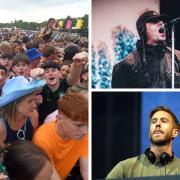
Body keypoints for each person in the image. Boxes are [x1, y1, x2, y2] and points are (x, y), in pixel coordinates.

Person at [106, 106, 180, 178]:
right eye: (153, 121)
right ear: (149, 133)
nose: (157, 124)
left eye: (164, 121)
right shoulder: (125, 168)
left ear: (175, 132)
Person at [112, 10, 180, 88]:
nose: (161, 23)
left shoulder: (177, 57)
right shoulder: (125, 66)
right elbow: (120, 98)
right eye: (154, 22)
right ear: (143, 29)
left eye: (161, 21)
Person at [33, 93, 88, 180]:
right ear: (59, 119)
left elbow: (86, 172)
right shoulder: (43, 138)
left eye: (87, 125)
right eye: (78, 125)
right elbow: (49, 175)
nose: (86, 131)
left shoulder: (84, 135)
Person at [38, 51, 88, 125]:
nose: (50, 73)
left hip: (63, 126)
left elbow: (73, 76)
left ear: (59, 73)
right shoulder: (39, 89)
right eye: (47, 72)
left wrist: (76, 65)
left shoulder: (64, 84)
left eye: (54, 70)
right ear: (43, 76)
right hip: (43, 127)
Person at [0, 76, 45, 146]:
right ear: (15, 104)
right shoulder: (1, 127)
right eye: (29, 101)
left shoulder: (33, 116)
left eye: (34, 100)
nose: (34, 106)